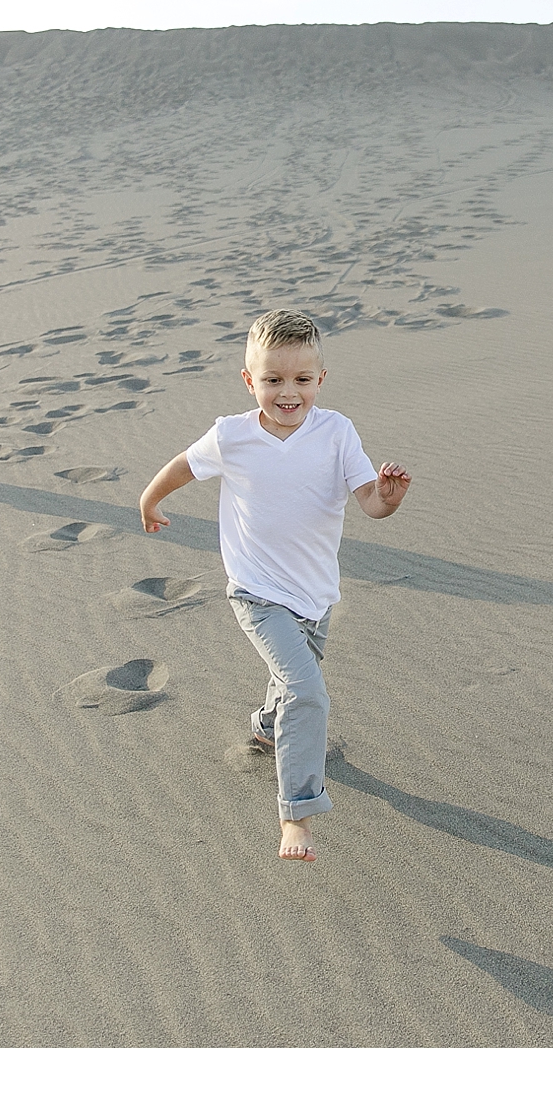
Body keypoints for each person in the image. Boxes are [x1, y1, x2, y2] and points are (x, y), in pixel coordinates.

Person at [139, 308, 411, 863]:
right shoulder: (233, 436)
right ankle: (296, 813)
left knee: (291, 684)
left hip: (315, 595)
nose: (288, 393)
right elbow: (184, 466)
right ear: (249, 380)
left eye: (301, 380)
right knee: (307, 691)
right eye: (272, 380)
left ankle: (267, 727)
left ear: (320, 380)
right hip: (256, 593)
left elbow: (368, 503)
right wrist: (150, 498)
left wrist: (388, 496)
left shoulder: (337, 433)